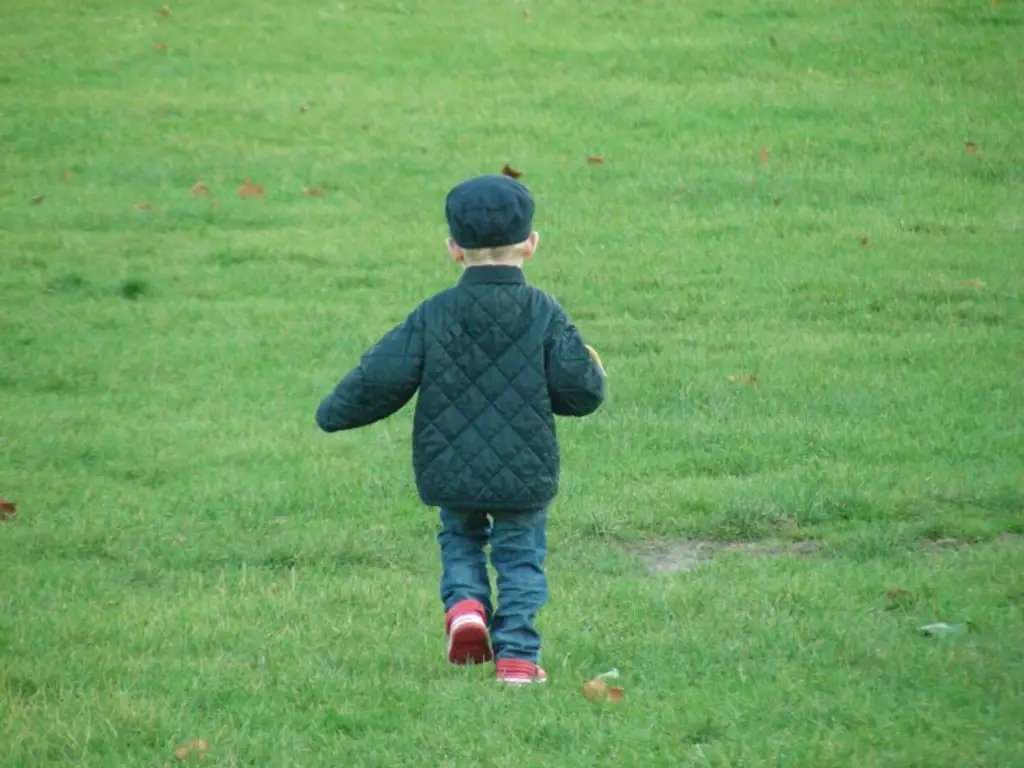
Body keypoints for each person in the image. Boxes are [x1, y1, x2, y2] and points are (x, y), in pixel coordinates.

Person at [315, 174, 607, 685]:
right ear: (531, 245)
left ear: (453, 249)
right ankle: (517, 657)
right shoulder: (543, 313)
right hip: (523, 468)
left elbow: (381, 376)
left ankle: (467, 607)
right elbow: (580, 393)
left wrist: (333, 411)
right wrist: (595, 372)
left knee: (461, 538)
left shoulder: (434, 314)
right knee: (520, 557)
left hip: (448, 465)